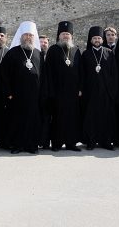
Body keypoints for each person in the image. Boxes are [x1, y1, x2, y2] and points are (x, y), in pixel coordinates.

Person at [0, 21, 43, 154]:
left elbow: (44, 75)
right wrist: (9, 92)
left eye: (30, 35)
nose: (28, 37)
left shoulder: (38, 54)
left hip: (34, 95)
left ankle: (32, 145)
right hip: (17, 94)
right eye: (26, 35)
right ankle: (17, 145)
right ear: (21, 36)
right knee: (17, 120)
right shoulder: (12, 53)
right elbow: (4, 75)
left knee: (33, 120)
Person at [43, 21, 82, 152]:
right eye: (63, 34)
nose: (66, 36)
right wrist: (50, 91)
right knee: (57, 118)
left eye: (68, 34)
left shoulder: (76, 50)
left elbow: (81, 71)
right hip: (57, 91)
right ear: (59, 36)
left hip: (73, 91)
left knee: (72, 117)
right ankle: (57, 143)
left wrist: (80, 89)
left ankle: (71, 143)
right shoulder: (53, 50)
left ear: (72, 36)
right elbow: (48, 72)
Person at [80, 26, 118, 150]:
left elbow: (114, 73)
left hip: (106, 91)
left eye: (99, 38)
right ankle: (91, 141)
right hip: (91, 91)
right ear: (91, 40)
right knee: (91, 117)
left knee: (106, 117)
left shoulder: (109, 52)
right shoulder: (86, 54)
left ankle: (106, 141)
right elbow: (82, 73)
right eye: (95, 38)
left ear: (103, 40)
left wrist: (112, 89)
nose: (97, 40)